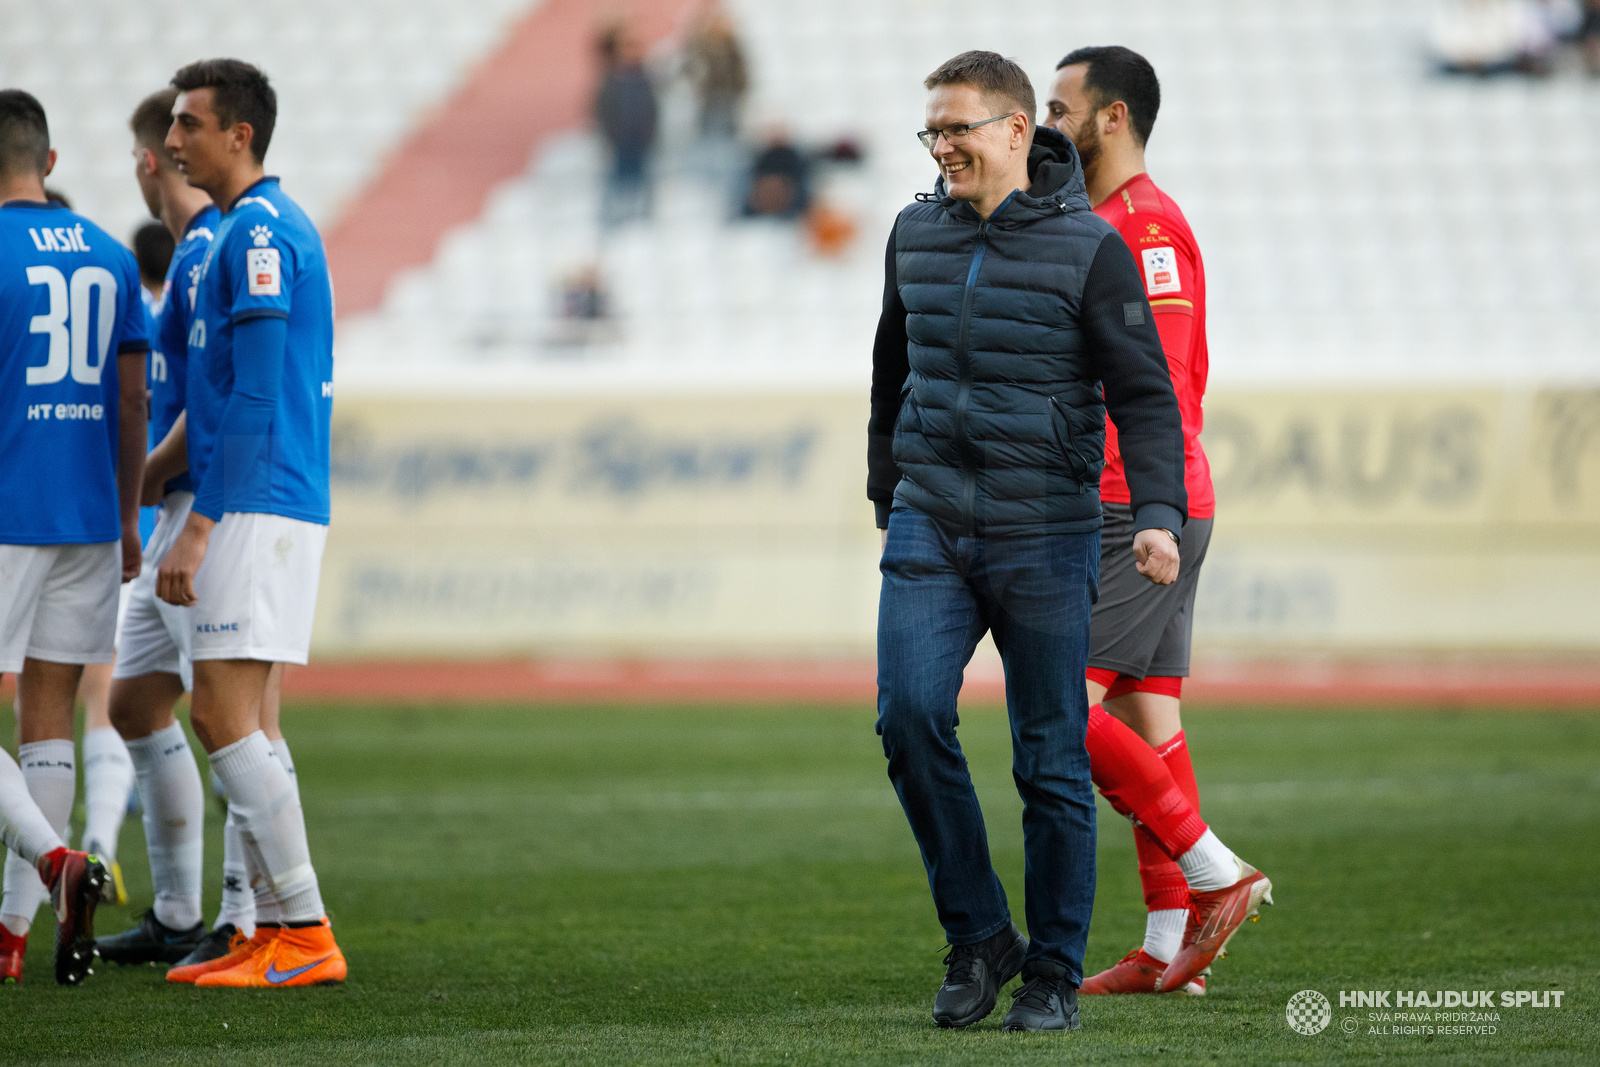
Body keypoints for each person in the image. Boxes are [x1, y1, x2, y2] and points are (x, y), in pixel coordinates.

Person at [868, 51, 1187, 1033]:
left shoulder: (1091, 246)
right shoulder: (911, 230)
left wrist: (1159, 516)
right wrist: (886, 484)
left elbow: (1144, 392)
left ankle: (1051, 969)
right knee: (908, 719)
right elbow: (890, 365)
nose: (943, 145)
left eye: (958, 126)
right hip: (930, 525)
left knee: (1049, 759)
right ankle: (979, 938)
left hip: (1045, 530)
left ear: (1015, 130)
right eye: (933, 129)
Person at [1043, 46, 1273, 997]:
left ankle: (1219, 870)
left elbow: (1164, 384)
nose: (1048, 125)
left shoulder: (1145, 230)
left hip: (1136, 507)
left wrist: (1150, 510)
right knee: (1149, 720)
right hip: (1144, 502)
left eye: (1061, 109)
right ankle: (1168, 945)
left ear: (1114, 117)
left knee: (1056, 707)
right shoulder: (1096, 223)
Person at [152, 58, 345, 988]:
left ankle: (304, 928)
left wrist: (201, 525)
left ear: (240, 136)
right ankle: (269, 929)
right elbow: (221, 392)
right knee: (238, 715)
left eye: (188, 123)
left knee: (223, 710)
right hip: (257, 498)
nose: (171, 140)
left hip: (259, 502)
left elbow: (260, 394)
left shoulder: (260, 232)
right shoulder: (234, 233)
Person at [0, 88, 142, 985]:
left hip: (7, 513)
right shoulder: (115, 256)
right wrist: (128, 515)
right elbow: (132, 400)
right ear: (49, 164)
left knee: (35, 717)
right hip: (90, 515)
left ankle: (56, 863)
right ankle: (12, 934)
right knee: (48, 717)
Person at [94, 87, 222, 970]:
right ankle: (178, 912)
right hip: (176, 503)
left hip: (212, 512)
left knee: (235, 713)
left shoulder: (214, 249)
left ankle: (258, 915)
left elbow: (222, 403)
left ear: (149, 162)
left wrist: (151, 486)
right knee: (134, 699)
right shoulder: (187, 254)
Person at [595, 28, 659, 227]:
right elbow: (603, 111)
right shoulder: (611, 80)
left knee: (641, 185)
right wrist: (610, 136)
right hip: (620, 142)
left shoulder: (646, 79)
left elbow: (652, 111)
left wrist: (650, 136)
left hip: (640, 142)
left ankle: (642, 224)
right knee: (618, 185)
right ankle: (614, 224)